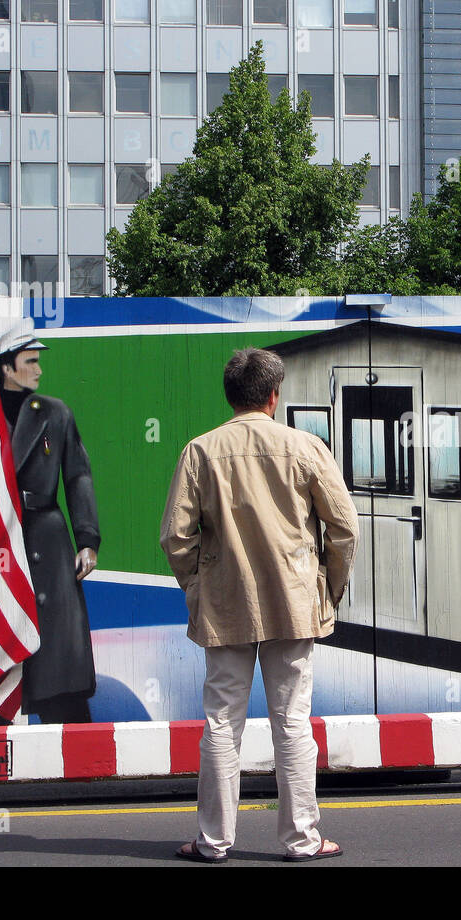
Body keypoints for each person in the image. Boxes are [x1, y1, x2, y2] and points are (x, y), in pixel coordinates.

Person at [161, 347, 358, 863]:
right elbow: (344, 527)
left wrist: (197, 586)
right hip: (293, 603)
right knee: (292, 720)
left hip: (225, 606)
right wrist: (326, 589)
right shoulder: (306, 447)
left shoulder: (200, 452)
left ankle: (213, 841)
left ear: (230, 396)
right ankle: (302, 839)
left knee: (221, 720)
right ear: (274, 396)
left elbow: (175, 538)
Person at [0, 316, 100, 726]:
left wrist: (87, 539)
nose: (38, 369)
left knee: (58, 657)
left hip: (47, 542)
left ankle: (74, 743)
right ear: (5, 367)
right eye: (29, 361)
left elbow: (78, 475)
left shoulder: (56, 413)